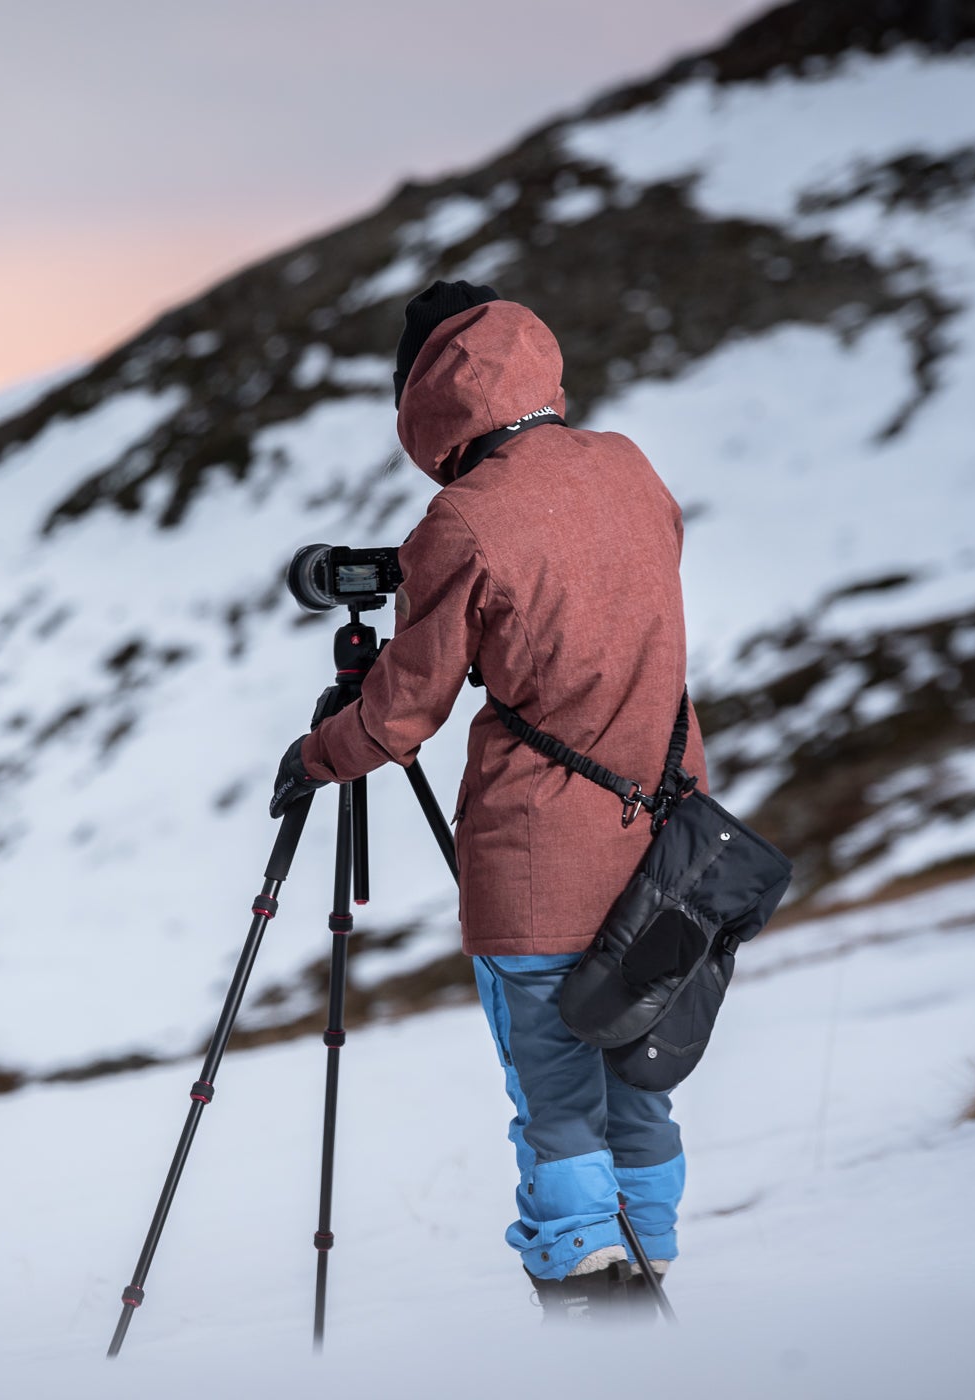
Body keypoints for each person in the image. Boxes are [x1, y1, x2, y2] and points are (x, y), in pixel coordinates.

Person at [268, 280, 706, 1323]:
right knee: (641, 1076)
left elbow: (397, 717)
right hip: (667, 850)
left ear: (425, 397)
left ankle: (589, 1292)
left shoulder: (461, 520)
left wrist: (314, 754)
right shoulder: (630, 469)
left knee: (558, 1097)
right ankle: (650, 1281)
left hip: (538, 865)